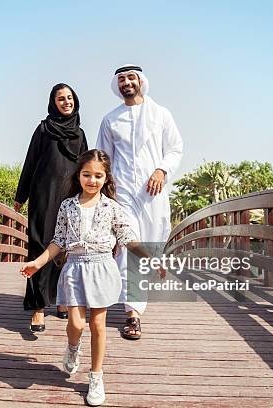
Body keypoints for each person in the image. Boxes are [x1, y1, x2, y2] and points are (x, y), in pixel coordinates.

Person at [19, 149, 164, 407]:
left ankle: (96, 376)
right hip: (74, 269)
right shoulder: (68, 206)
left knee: (97, 325)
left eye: (98, 176)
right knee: (75, 324)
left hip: (102, 268)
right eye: (87, 174)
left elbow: (127, 237)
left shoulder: (112, 208)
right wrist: (37, 263)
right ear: (79, 175)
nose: (92, 180)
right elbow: (58, 242)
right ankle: (73, 347)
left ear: (106, 178)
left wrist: (150, 257)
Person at [96, 64, 183, 340]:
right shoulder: (111, 119)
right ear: (116, 85)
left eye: (131, 77)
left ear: (141, 81)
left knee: (151, 243)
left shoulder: (161, 114)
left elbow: (175, 147)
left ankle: (145, 280)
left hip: (153, 193)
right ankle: (132, 314)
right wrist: (103, 194)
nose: (126, 82)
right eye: (121, 79)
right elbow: (103, 158)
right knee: (129, 247)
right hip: (122, 193)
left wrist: (162, 170)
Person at [15, 83, 88, 332]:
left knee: (66, 250)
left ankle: (60, 300)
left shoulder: (79, 134)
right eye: (61, 99)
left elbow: (86, 169)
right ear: (53, 102)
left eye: (69, 98)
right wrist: (20, 195)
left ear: (75, 101)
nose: (66, 102)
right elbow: (30, 161)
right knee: (41, 245)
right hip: (43, 197)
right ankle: (37, 308)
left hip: (70, 199)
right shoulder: (44, 129)